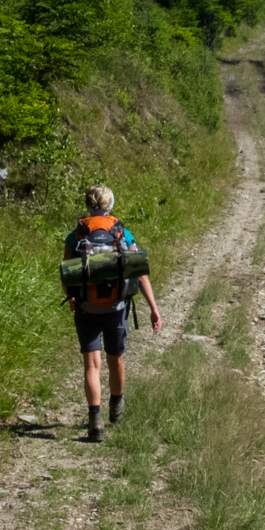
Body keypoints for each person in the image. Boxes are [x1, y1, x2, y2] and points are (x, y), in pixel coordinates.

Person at [64, 184, 161, 442]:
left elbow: (67, 273)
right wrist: (153, 307)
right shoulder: (122, 233)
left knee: (92, 365)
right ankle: (116, 406)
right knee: (115, 359)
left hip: (86, 308)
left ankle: (95, 421)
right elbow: (138, 271)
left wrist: (72, 296)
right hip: (116, 308)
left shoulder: (76, 236)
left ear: (88, 205)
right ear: (110, 205)